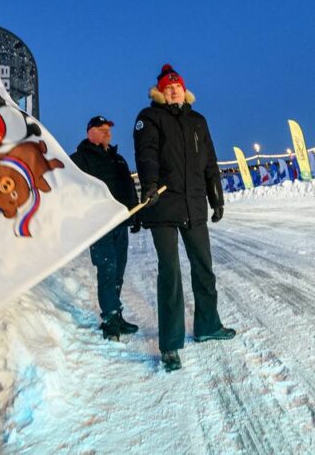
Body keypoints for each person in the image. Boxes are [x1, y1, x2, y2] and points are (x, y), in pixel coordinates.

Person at [133, 64, 234, 373]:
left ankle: (208, 325)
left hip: (194, 204)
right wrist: (150, 184)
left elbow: (210, 163)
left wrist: (216, 197)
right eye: (168, 87)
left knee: (204, 267)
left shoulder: (197, 121)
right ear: (160, 92)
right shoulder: (149, 118)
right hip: (163, 204)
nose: (174, 90)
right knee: (170, 273)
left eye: (177, 86)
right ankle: (170, 345)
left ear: (184, 89)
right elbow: (146, 154)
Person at [70, 115, 140, 341]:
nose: (107, 133)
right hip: (98, 226)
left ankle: (116, 314)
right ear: (89, 132)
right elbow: (71, 192)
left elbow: (129, 187)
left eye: (109, 129)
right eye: (102, 129)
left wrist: (135, 214)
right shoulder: (79, 160)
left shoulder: (118, 159)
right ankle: (110, 321)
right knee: (107, 270)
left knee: (118, 271)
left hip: (120, 223)